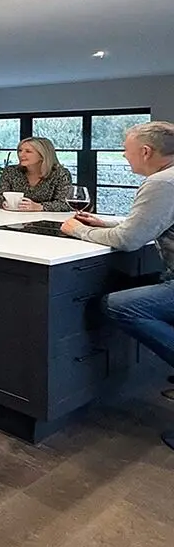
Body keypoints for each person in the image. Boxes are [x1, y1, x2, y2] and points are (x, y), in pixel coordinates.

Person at [61, 121, 174, 451]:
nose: (124, 157)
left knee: (119, 305)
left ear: (146, 151)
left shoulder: (161, 182)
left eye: (126, 151)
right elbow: (151, 224)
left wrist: (78, 230)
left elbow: (128, 240)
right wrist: (105, 222)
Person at [0, 137, 73, 211]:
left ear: (42, 156)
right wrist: (4, 203)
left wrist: (39, 207)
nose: (21, 154)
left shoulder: (60, 174)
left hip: (47, 220)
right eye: (20, 150)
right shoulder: (11, 171)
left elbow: (65, 204)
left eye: (28, 151)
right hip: (14, 217)